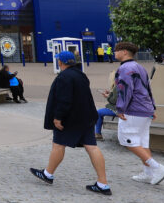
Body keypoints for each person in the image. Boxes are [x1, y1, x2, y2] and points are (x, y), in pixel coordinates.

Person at [29, 51, 111, 195]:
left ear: (61, 62)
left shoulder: (64, 77)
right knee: (92, 147)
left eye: (58, 61)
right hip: (87, 117)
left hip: (71, 119)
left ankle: (48, 174)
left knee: (58, 144)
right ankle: (103, 183)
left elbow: (64, 99)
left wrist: (58, 117)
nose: (58, 63)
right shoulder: (81, 75)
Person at [114, 41, 164, 185]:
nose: (114, 53)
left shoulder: (125, 68)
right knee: (142, 142)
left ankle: (157, 168)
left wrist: (120, 108)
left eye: (116, 50)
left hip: (133, 110)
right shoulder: (140, 67)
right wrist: (152, 108)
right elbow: (147, 88)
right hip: (145, 109)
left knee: (127, 140)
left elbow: (125, 90)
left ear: (124, 52)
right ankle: (148, 173)